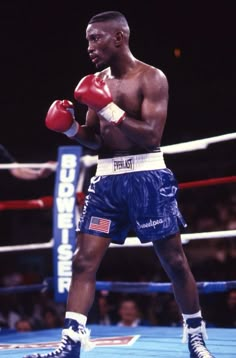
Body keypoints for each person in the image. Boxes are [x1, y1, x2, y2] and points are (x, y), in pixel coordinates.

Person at [24, 11, 215, 358]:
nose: (89, 47)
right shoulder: (96, 82)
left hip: (147, 177)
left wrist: (107, 106)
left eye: (95, 38)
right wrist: (68, 128)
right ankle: (71, 342)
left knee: (174, 260)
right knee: (83, 262)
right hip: (107, 182)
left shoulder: (152, 77)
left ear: (119, 37)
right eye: (87, 40)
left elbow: (151, 135)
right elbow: (97, 141)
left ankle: (195, 334)